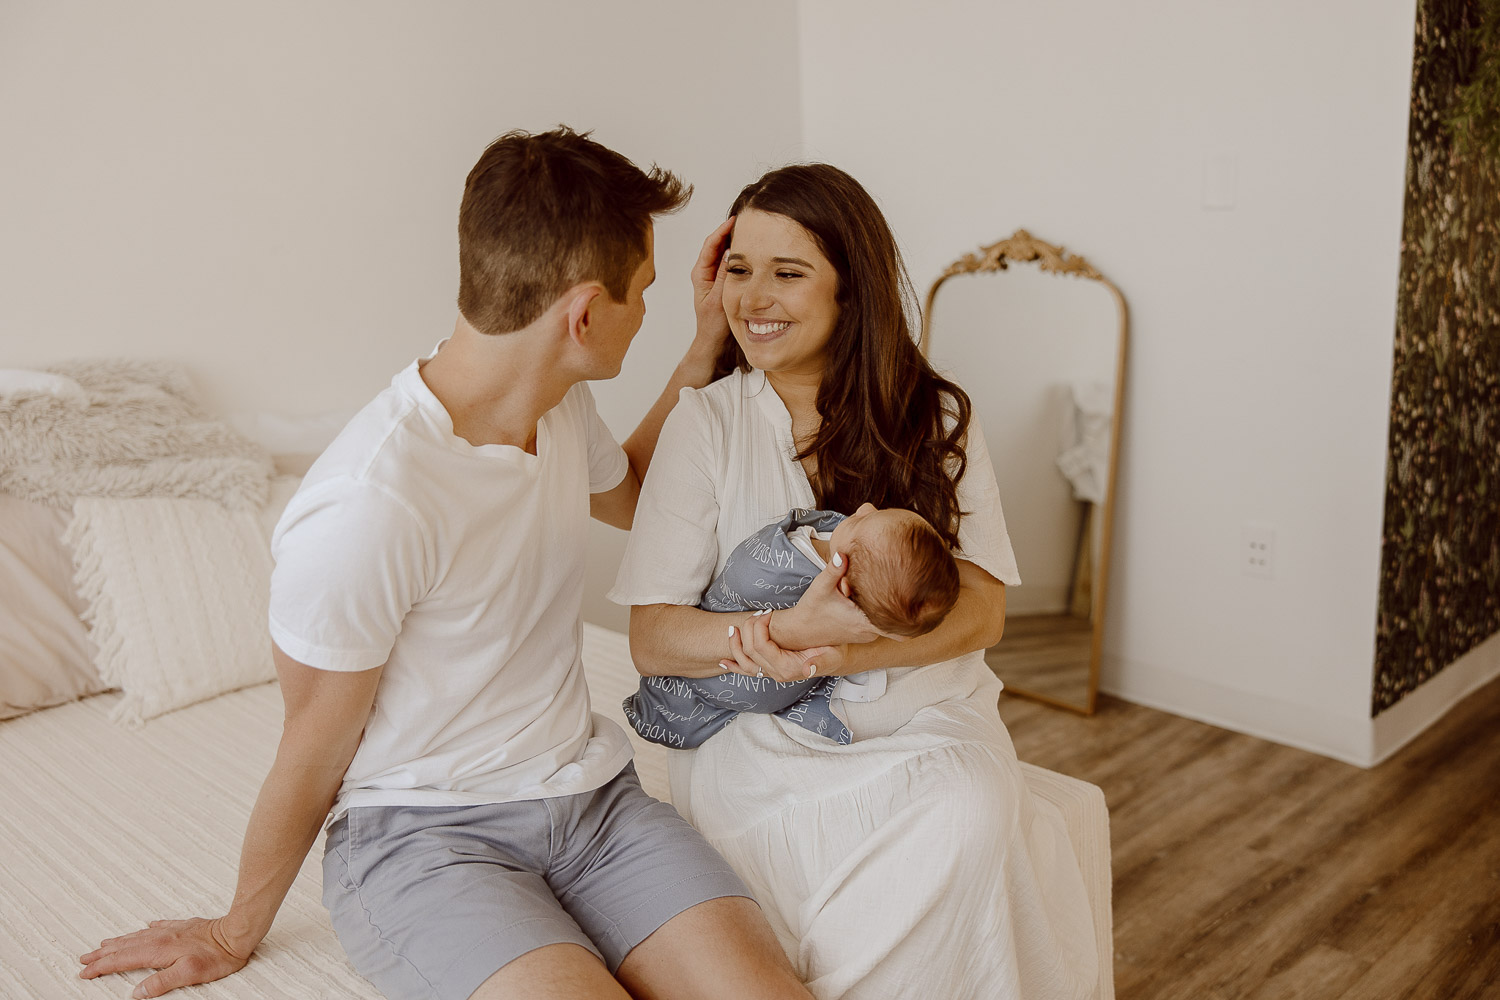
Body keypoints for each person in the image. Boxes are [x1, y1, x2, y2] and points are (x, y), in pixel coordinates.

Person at [77, 128, 814, 1000]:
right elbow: (314, 744)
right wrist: (234, 930)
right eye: (645, 292)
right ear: (585, 315)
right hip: (425, 837)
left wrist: (703, 343)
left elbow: (638, 494)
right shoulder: (370, 504)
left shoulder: (558, 404)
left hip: (595, 805)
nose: (649, 308)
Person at [609, 164, 1100, 1000]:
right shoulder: (707, 421)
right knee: (810, 834)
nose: (754, 297)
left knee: (968, 805)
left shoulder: (938, 417)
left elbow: (983, 611)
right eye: (739, 269)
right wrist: (774, 644)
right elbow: (654, 636)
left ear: (851, 290)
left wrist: (833, 651)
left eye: (788, 272)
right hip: (752, 736)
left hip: (926, 716)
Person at [624, 503, 960, 749]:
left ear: (842, 588)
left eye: (861, 521)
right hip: (720, 648)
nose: (864, 507)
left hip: (750, 679)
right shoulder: (858, 581)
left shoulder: (790, 563)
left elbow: (749, 575)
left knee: (739, 678)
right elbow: (742, 581)